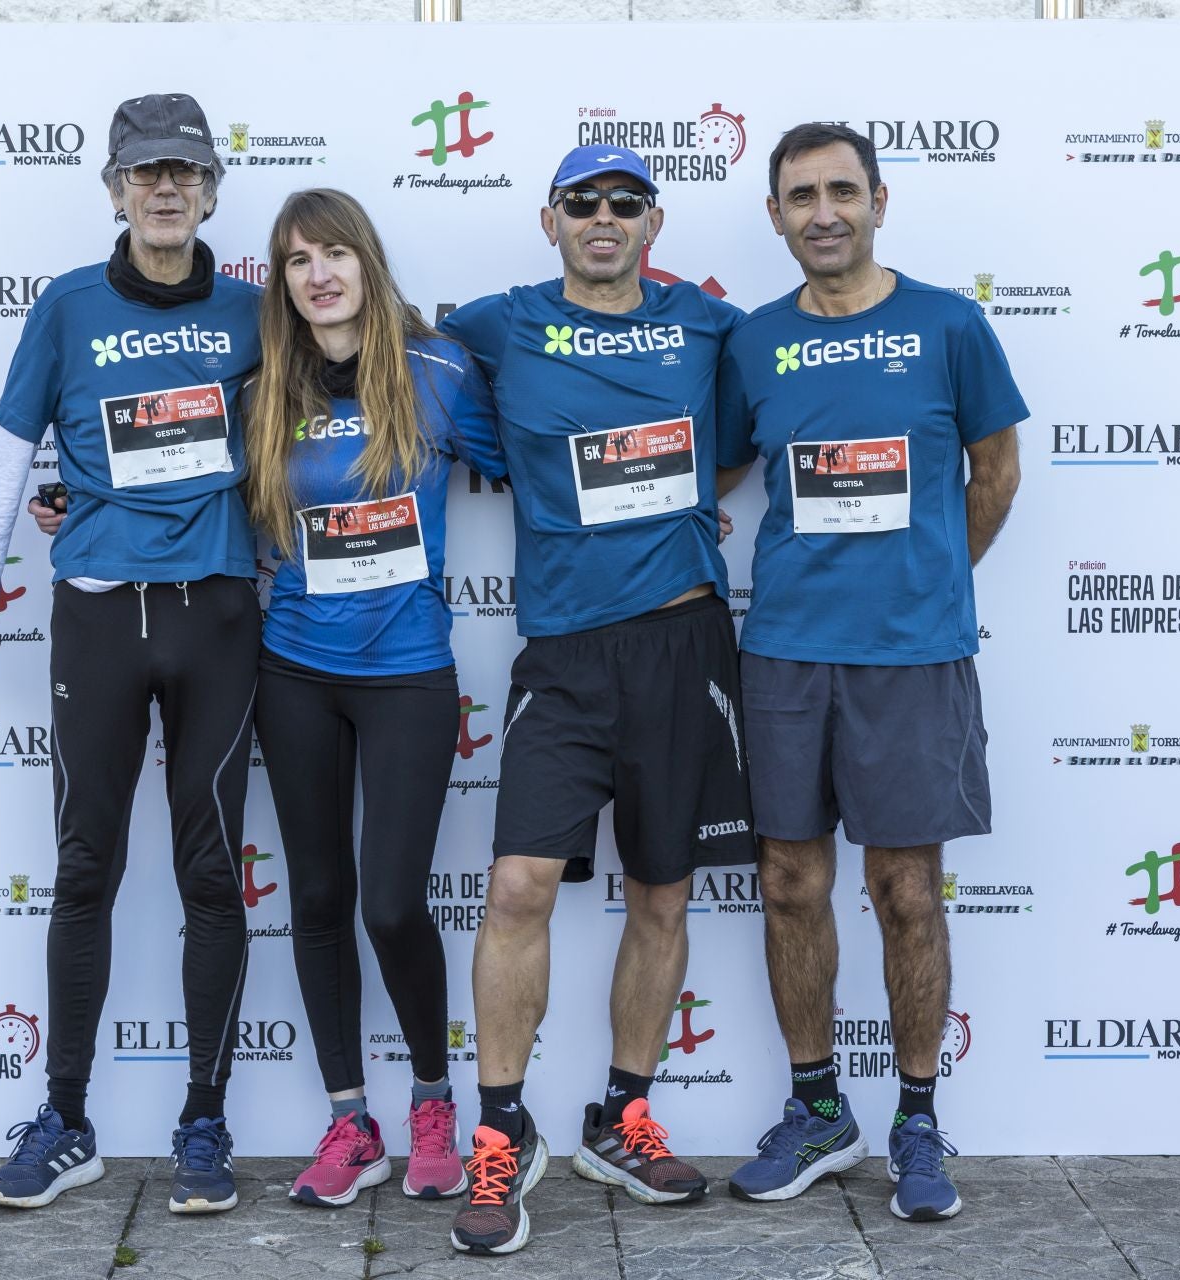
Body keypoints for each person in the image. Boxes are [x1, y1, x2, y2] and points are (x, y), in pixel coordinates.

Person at [0, 92, 263, 1216]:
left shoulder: (249, 310)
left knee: (212, 871)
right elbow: (3, 458)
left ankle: (204, 1121)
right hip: (96, 614)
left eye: (184, 171)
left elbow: (324, 431)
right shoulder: (67, 306)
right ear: (116, 189)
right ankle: (64, 1118)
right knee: (85, 868)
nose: (165, 188)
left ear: (213, 187)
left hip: (217, 610)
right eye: (144, 172)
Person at [435, 147, 757, 1255]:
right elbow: (374, 361)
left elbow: (752, 434)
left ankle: (620, 1114)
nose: (605, 217)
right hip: (564, 654)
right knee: (519, 884)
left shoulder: (710, 325)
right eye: (585, 203)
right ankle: (498, 1129)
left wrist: (665, 500)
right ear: (550, 218)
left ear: (653, 221)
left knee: (662, 892)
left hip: (684, 639)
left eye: (625, 203)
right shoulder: (494, 322)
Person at [717, 122, 1025, 1223]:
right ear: (776, 216)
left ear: (880, 200)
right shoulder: (752, 343)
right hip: (788, 651)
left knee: (906, 892)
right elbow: (717, 469)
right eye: (801, 195)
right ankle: (816, 1108)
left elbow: (996, 471)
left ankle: (917, 1117)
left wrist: (932, 579)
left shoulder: (950, 323)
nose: (824, 211)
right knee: (792, 882)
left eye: (843, 189)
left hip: (912, 656)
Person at [239, 188, 508, 1208]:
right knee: (316, 895)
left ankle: (434, 1103)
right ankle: (352, 1121)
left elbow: (533, 462)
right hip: (294, 669)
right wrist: (66, 495)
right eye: (297, 258)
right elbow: (181, 490)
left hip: (407, 673)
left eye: (335, 252)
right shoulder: (264, 384)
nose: (318, 273)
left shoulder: (437, 370)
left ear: (368, 261)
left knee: (392, 897)